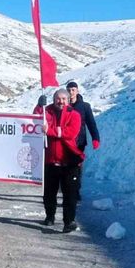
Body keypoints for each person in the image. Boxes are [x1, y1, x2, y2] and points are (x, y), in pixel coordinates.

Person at [42, 88, 84, 233]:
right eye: (58, 99)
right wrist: (38, 106)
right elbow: (38, 121)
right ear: (54, 100)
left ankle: (69, 221)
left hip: (69, 161)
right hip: (50, 161)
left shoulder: (75, 115)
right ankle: (50, 216)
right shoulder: (46, 112)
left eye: (63, 99)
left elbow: (70, 133)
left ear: (68, 100)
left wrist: (51, 130)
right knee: (49, 193)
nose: (60, 102)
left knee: (70, 194)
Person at [65, 82, 100, 200]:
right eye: (69, 90)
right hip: (64, 142)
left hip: (79, 142)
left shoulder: (85, 106)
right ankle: (66, 190)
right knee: (64, 167)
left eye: (73, 90)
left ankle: (75, 190)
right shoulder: (62, 105)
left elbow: (91, 123)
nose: (71, 92)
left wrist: (95, 138)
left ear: (77, 91)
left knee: (76, 167)